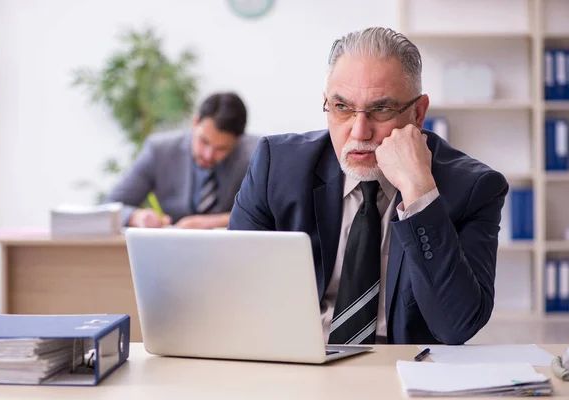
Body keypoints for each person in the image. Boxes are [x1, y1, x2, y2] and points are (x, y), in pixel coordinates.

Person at [228, 27, 509, 345]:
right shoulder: (276, 166)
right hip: (299, 356)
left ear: (418, 113)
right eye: (342, 108)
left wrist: (420, 194)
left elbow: (456, 326)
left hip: (403, 369)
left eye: (381, 109)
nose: (359, 132)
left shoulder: (474, 188)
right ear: (326, 104)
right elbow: (235, 290)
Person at [106, 92, 259, 229]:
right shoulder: (160, 151)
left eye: (221, 149)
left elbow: (269, 216)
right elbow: (108, 207)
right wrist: (136, 216)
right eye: (204, 141)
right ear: (195, 122)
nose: (208, 154)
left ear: (238, 140)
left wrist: (211, 222)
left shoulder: (257, 155)